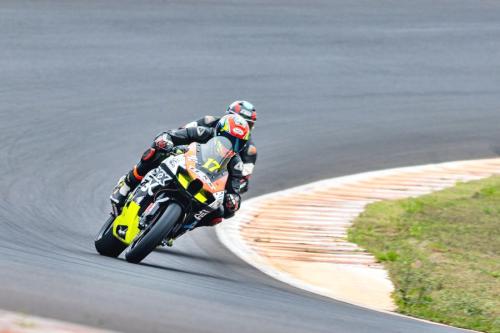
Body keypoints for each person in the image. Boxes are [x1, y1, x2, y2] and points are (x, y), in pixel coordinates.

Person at [110, 114, 250, 245]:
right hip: (182, 163)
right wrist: (166, 141)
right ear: (218, 131)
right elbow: (172, 135)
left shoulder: (236, 163)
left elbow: (234, 189)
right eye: (228, 138)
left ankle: (178, 229)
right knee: (155, 152)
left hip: (205, 186)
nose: (231, 144)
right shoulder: (203, 132)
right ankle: (127, 184)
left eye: (237, 143)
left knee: (219, 214)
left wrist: (233, 201)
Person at [184, 100, 257, 193]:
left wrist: (230, 192)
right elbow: (182, 132)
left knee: (224, 205)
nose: (239, 125)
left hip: (215, 182)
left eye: (247, 123)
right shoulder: (208, 121)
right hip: (188, 160)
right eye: (236, 119)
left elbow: (243, 178)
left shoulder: (250, 150)